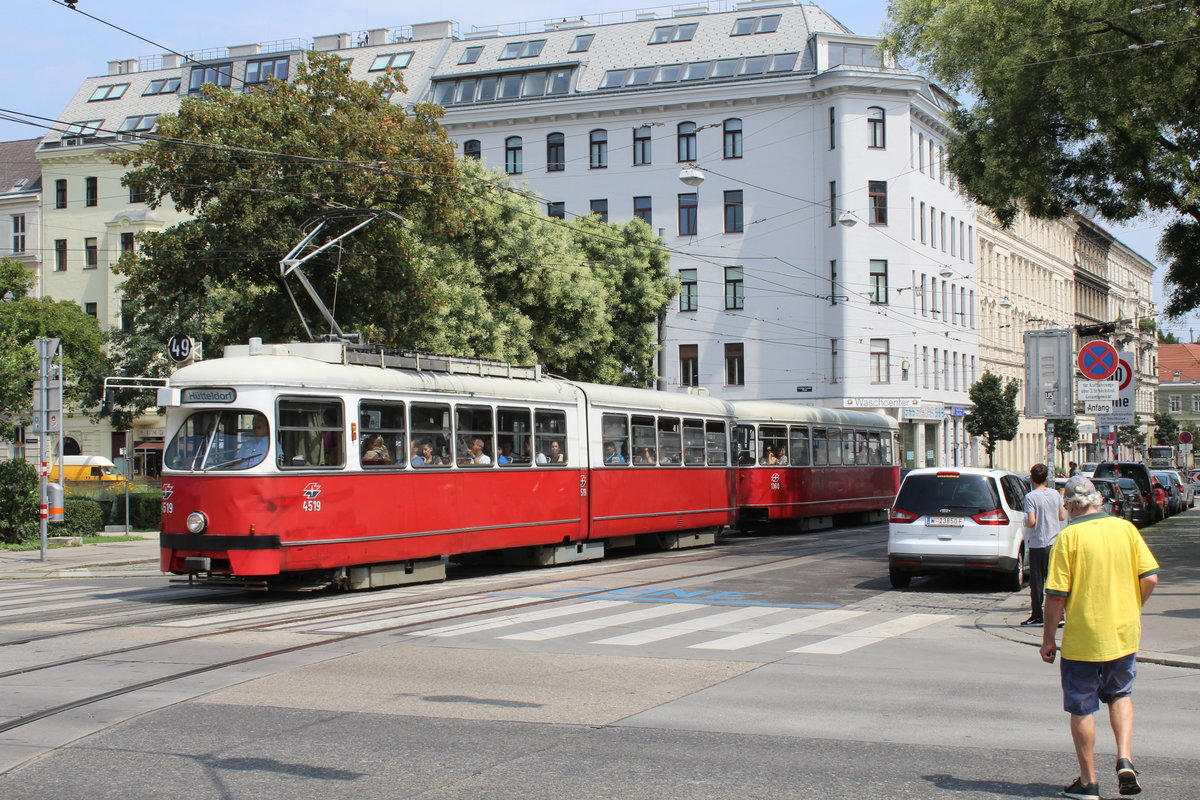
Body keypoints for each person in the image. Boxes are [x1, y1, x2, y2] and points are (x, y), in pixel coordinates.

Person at [1040, 475, 1160, 800]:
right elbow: (1150, 577)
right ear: (1098, 500)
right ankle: (1125, 758)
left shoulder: (1069, 538)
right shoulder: (1125, 529)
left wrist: (1048, 638)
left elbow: (1056, 596)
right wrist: (1132, 607)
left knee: (1082, 706)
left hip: (1083, 637)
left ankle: (1088, 782)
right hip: (1123, 632)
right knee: (1120, 693)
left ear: (1069, 506)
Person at [1022, 463, 1067, 626]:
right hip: (1054, 542)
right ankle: (1059, 615)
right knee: (1054, 580)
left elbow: (1031, 521)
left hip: (1038, 543)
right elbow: (1062, 516)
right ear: (1047, 478)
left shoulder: (1031, 497)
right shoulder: (1055, 494)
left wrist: (1025, 521)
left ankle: (1037, 614)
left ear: (1032, 478)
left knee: (1037, 582)